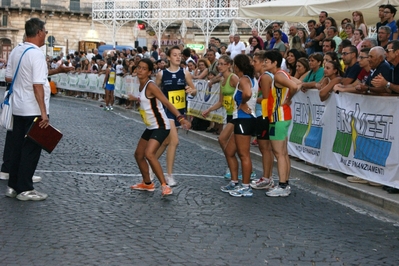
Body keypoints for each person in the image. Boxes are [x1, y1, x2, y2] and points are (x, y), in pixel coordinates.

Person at [4, 18, 72, 201]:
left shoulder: (17, 51)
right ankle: (25, 188)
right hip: (33, 108)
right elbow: (37, 85)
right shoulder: (36, 54)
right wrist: (43, 113)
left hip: (18, 106)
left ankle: (13, 185)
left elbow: (10, 78)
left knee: (17, 147)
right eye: (45, 31)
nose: (46, 34)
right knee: (31, 149)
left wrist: (56, 72)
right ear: (39, 32)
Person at [129, 58, 191, 197]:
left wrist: (180, 118)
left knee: (149, 154)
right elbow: (148, 101)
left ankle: (165, 185)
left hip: (161, 125)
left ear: (150, 72)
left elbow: (167, 102)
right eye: (139, 67)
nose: (140, 70)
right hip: (151, 126)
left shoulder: (151, 85)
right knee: (138, 155)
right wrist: (136, 99)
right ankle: (147, 183)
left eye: (144, 68)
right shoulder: (142, 85)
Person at [155, 46, 196, 187]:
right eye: (174, 55)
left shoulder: (185, 73)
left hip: (179, 112)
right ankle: (169, 175)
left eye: (179, 55)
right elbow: (155, 90)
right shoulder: (161, 74)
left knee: (167, 142)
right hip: (167, 111)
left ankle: (151, 162)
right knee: (175, 141)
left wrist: (192, 90)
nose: (178, 57)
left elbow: (194, 90)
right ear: (168, 57)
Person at [263, 50, 299, 197]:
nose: (264, 63)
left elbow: (295, 86)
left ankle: (283, 185)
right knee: (283, 152)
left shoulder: (278, 75)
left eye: (267, 61)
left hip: (278, 117)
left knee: (279, 153)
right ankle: (285, 183)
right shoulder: (282, 74)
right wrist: (288, 98)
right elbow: (298, 83)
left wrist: (288, 97)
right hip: (282, 116)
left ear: (274, 62)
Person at [222, 54, 258, 197]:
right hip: (241, 119)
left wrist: (243, 104)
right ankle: (234, 181)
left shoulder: (244, 79)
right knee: (230, 151)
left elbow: (248, 93)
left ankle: (246, 186)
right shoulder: (249, 78)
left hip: (244, 119)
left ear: (237, 66)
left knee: (244, 155)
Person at [250, 50, 274, 190]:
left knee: (265, 148)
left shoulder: (265, 77)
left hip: (263, 114)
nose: (253, 64)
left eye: (255, 61)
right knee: (266, 148)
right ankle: (267, 177)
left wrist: (252, 98)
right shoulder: (266, 76)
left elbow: (265, 98)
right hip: (264, 114)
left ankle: (266, 178)